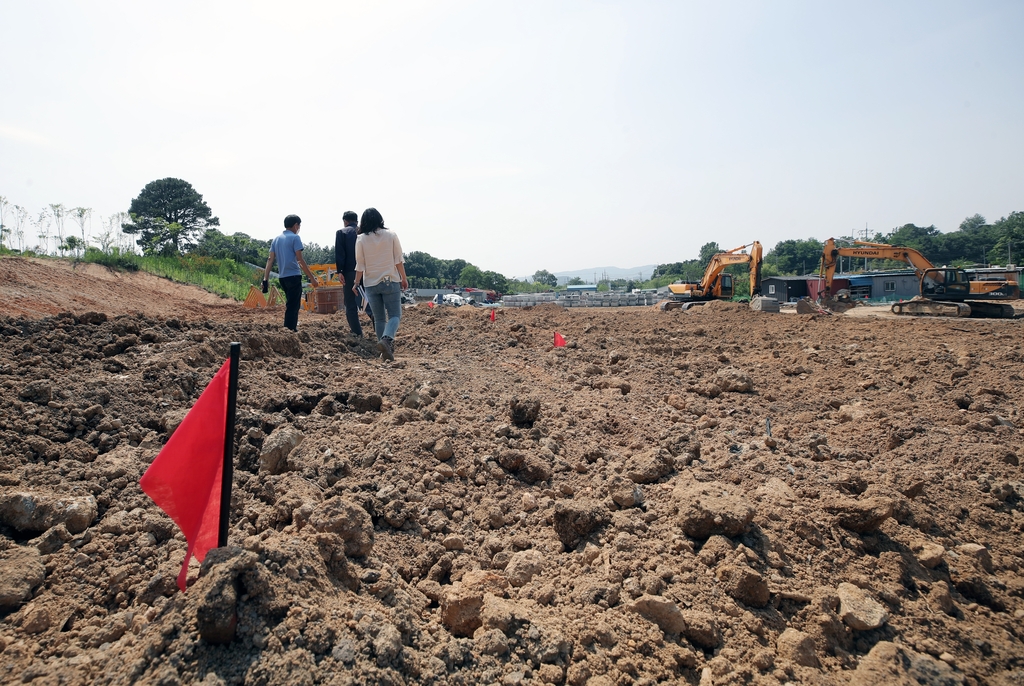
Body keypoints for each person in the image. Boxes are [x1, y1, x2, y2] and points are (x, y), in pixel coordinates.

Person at [352, 208, 408, 361]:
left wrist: (356, 283)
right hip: (390, 281)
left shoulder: (361, 239)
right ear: (380, 219)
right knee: (395, 315)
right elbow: (398, 259)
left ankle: (384, 353)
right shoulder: (391, 235)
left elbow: (360, 264)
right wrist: (403, 277)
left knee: (379, 319)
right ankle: (387, 339)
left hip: (370, 284)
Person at [263, 214, 320, 332]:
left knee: (290, 304)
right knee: (293, 306)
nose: (298, 229)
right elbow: (300, 260)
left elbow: (270, 260)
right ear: (295, 225)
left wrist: (265, 279)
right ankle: (289, 331)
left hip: (282, 277)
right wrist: (312, 278)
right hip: (294, 276)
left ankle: (289, 329)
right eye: (299, 226)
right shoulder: (295, 238)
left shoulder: (276, 239)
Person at [335, 210, 370, 337]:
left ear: (345, 221)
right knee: (369, 300)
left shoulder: (341, 233)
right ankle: (380, 328)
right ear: (357, 221)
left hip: (350, 272)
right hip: (367, 271)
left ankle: (357, 332)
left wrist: (340, 272)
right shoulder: (365, 232)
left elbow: (340, 254)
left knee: (350, 303)